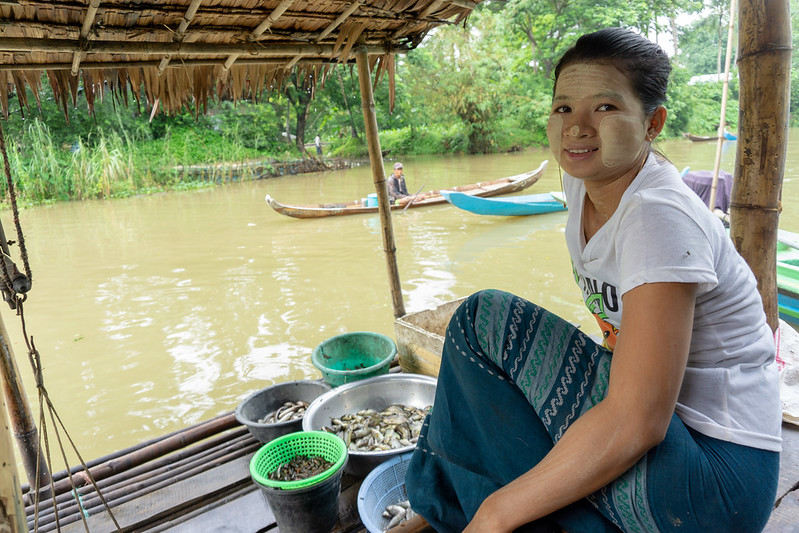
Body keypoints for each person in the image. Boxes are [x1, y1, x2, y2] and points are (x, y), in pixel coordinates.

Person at [406, 28, 781, 533]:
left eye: (604, 108)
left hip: (714, 485)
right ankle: (445, 507)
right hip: (674, 446)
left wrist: (495, 516)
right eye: (563, 108)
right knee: (484, 352)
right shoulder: (582, 185)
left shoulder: (658, 218)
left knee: (485, 321)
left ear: (653, 124)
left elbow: (637, 420)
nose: (576, 127)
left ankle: (469, 512)